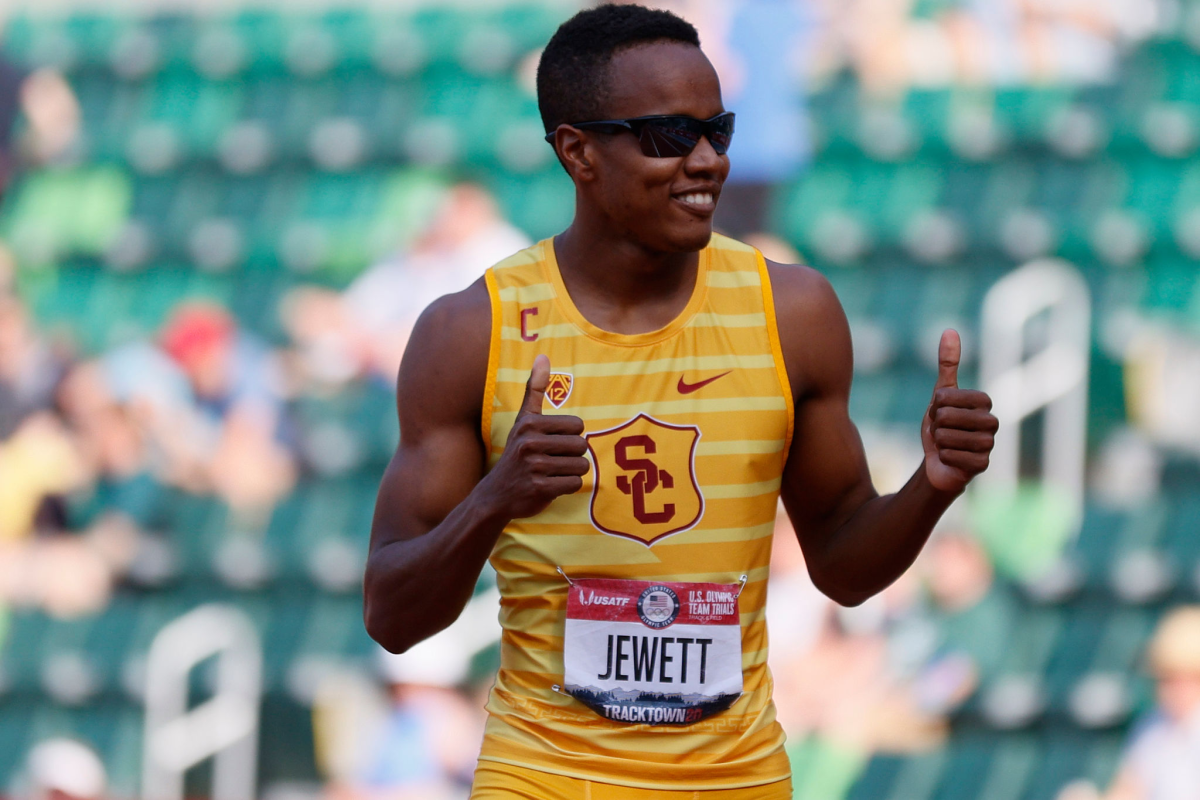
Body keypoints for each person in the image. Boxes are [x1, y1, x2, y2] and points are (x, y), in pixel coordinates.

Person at [363, 5, 998, 797]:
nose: (707, 161)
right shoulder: (471, 332)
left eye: (718, 131)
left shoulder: (792, 314)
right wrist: (497, 497)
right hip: (544, 781)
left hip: (736, 782)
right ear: (578, 152)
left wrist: (931, 488)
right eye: (669, 135)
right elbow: (393, 617)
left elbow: (842, 566)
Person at [1105, 606, 1200, 800]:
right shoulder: (1151, 727)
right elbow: (1128, 790)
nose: (1176, 689)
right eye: (1167, 677)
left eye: (1189, 677)